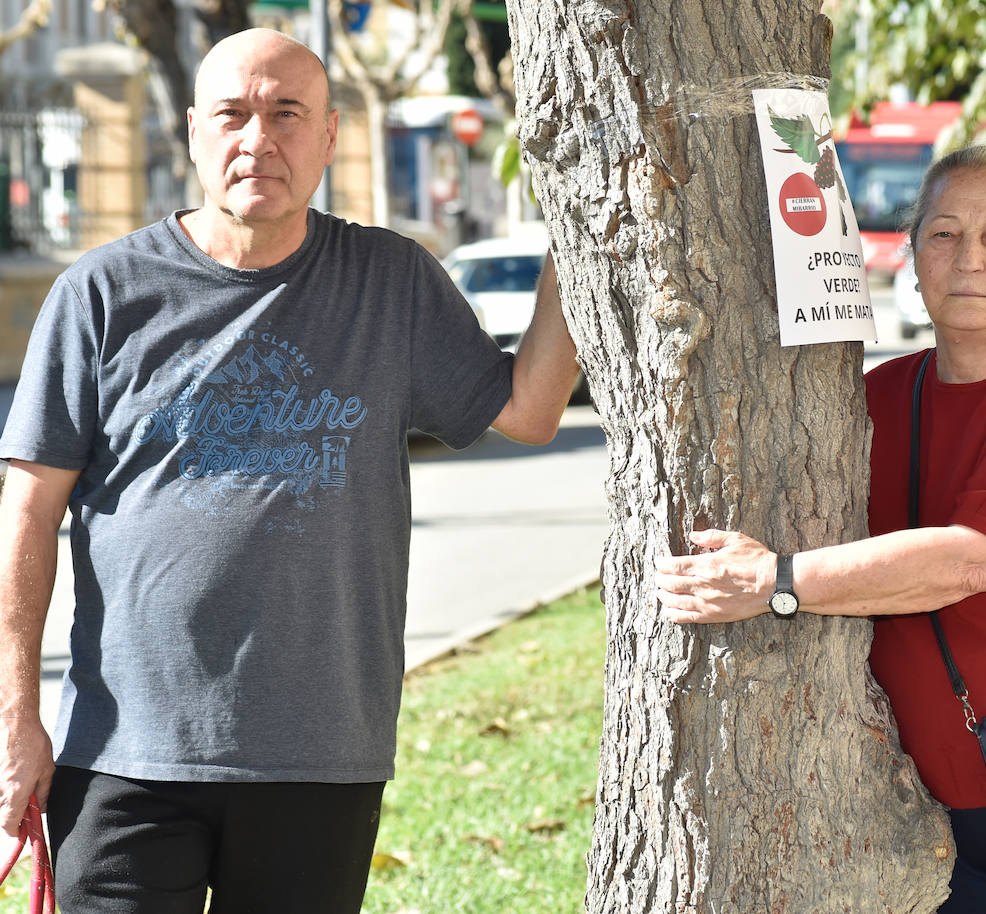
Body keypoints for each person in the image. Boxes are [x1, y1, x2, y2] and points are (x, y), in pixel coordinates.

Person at [0, 28, 579, 914]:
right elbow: (28, 513)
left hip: (320, 754)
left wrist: (578, 235)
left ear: (329, 135)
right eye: (232, 115)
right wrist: (15, 718)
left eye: (286, 114)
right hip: (121, 754)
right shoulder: (102, 294)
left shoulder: (392, 282)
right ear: (194, 131)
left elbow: (530, 411)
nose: (257, 139)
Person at [656, 145, 986, 914]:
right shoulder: (871, 400)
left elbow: (972, 561)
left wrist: (773, 580)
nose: (969, 258)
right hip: (930, 809)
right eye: (943, 235)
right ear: (913, 257)